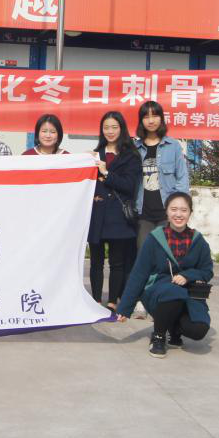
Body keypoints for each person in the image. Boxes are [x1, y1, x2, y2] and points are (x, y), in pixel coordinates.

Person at [116, 191, 213, 358]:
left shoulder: (198, 241)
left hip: (188, 294)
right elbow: (139, 273)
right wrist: (125, 308)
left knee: (198, 330)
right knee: (173, 292)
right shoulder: (154, 239)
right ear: (166, 211)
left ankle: (174, 329)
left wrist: (188, 275)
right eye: (174, 209)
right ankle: (158, 336)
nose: (178, 214)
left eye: (184, 210)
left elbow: (207, 271)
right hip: (158, 293)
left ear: (190, 212)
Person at [87, 111, 141, 309]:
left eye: (114, 127)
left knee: (117, 263)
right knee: (96, 262)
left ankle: (112, 302)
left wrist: (106, 173)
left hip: (118, 216)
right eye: (106, 127)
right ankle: (95, 300)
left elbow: (129, 186)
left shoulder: (131, 156)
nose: (110, 131)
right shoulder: (95, 154)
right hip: (97, 214)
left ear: (122, 129)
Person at [133, 100, 190, 253]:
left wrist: (179, 209)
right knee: (144, 254)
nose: (151, 121)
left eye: (155, 116)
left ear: (161, 118)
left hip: (167, 213)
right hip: (143, 214)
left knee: (166, 255)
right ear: (141, 121)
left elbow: (182, 179)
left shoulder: (173, 146)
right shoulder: (135, 148)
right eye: (146, 117)